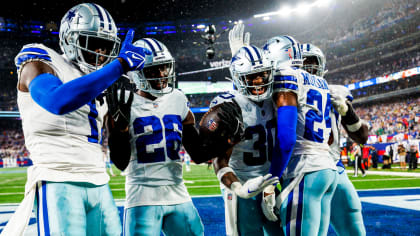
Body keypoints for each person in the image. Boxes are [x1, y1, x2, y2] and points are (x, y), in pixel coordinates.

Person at [2, 3, 151, 236]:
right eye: (94, 44)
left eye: (106, 47)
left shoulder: (99, 83)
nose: (101, 54)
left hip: (99, 183)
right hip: (58, 181)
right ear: (70, 39)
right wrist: (120, 65)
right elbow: (56, 101)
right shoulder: (41, 61)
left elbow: (120, 161)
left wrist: (120, 131)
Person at [107, 38, 226, 236]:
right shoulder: (125, 103)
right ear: (137, 74)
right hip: (142, 194)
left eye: (164, 68)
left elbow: (197, 153)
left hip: (177, 190)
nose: (162, 75)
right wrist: (120, 131)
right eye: (154, 70)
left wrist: (223, 139)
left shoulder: (178, 98)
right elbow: (120, 163)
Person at [264, 36, 338, 236]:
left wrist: (271, 181)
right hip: (326, 168)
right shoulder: (320, 81)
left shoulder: (285, 75)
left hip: (305, 168)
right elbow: (330, 136)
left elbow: (287, 140)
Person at [209, 41, 282, 235]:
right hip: (242, 184)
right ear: (239, 78)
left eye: (263, 74)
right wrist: (239, 189)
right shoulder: (228, 104)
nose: (259, 81)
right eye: (251, 76)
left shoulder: (278, 97)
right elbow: (219, 159)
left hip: (272, 181)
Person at [301, 43, 368, 236]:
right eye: (304, 63)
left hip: (334, 167)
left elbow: (362, 137)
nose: (309, 68)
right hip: (302, 170)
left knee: (352, 219)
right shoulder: (285, 94)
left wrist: (347, 112)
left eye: (313, 63)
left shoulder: (336, 92)